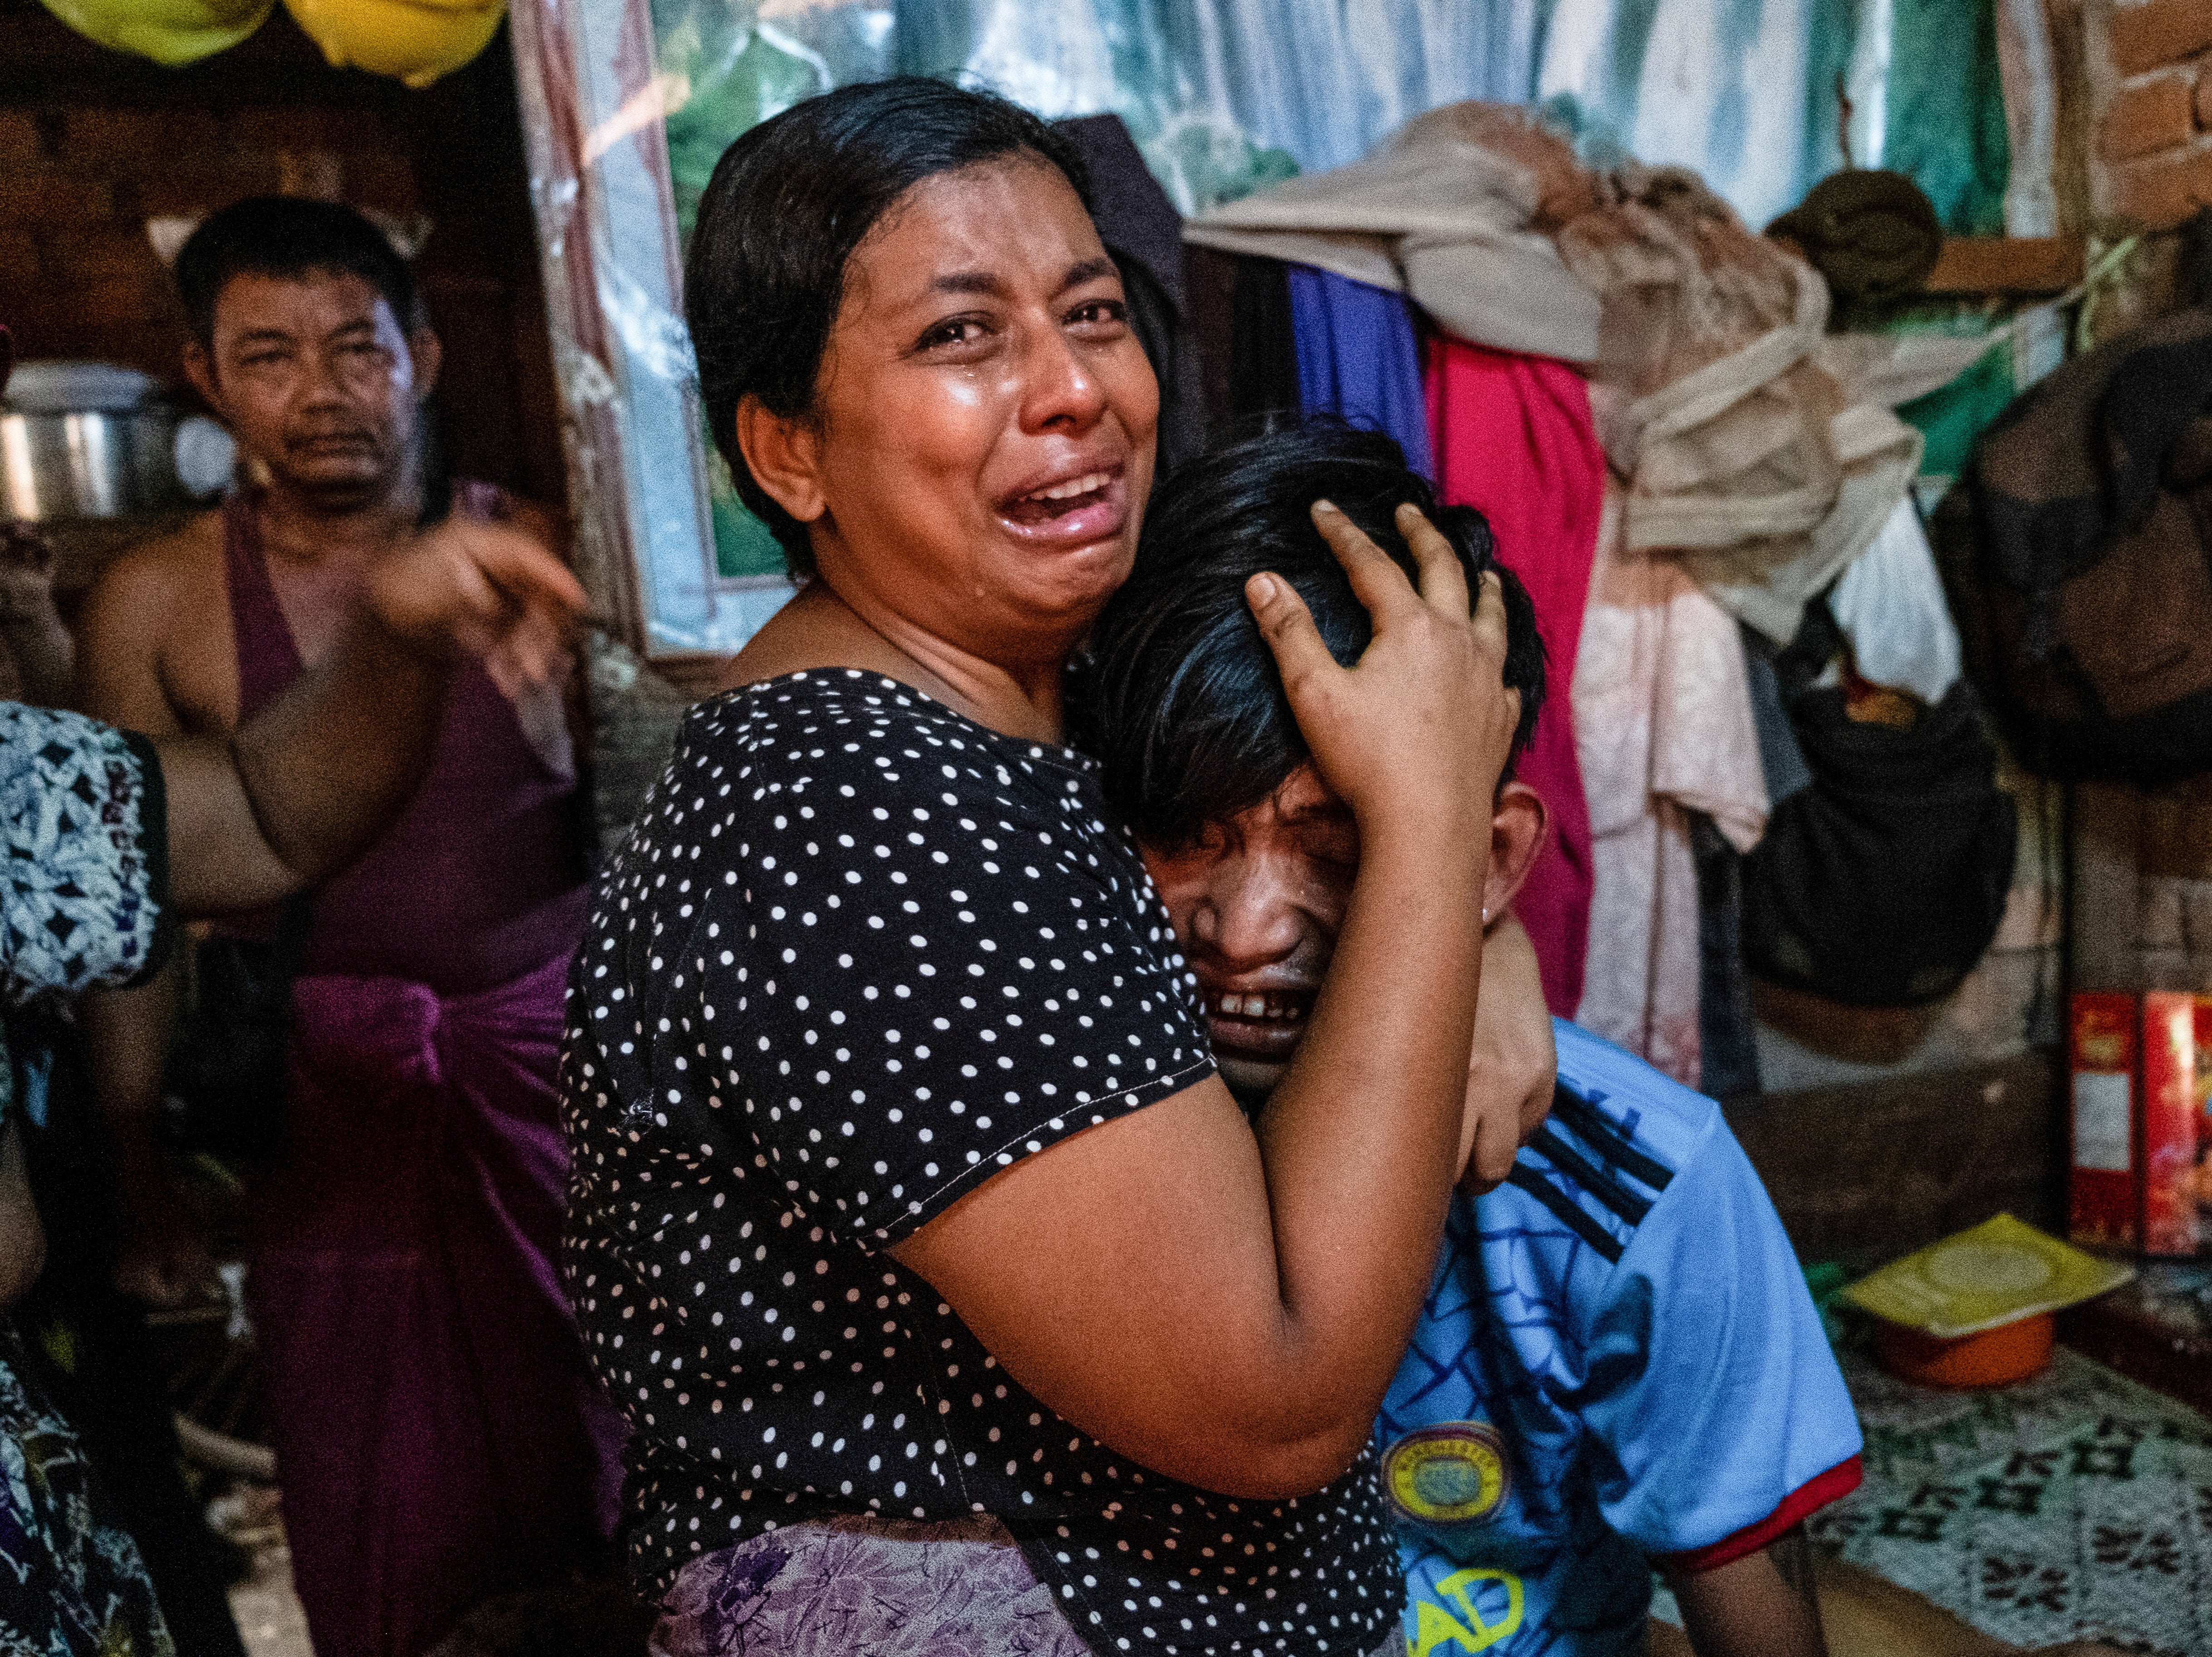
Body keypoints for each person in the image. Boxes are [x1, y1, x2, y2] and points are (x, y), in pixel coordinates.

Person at [564, 78, 1519, 1657]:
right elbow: (1273, 1401)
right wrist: (1426, 820)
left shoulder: (1019, 711)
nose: (1072, 388)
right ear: (787, 451)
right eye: (961, 337)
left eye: (1091, 313)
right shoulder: (853, 811)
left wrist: (1487, 940)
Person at [1079, 423, 1866, 1657]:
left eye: (1334, 850)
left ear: (1494, 859)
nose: (1243, 931)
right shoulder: (1055, 1128)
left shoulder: (1639, 1188)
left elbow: (1760, 1627)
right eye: (1186, 834)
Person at [72, 198, 624, 1657]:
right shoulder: (154, 600)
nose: (320, 392)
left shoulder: (547, 552)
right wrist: (136, 1165)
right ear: (204, 375)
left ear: (423, 359)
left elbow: (640, 813)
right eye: (268, 355)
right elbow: (125, 915)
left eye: (355, 349)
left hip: (556, 1083)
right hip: (322, 1118)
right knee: (378, 1494)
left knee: (617, 1462)